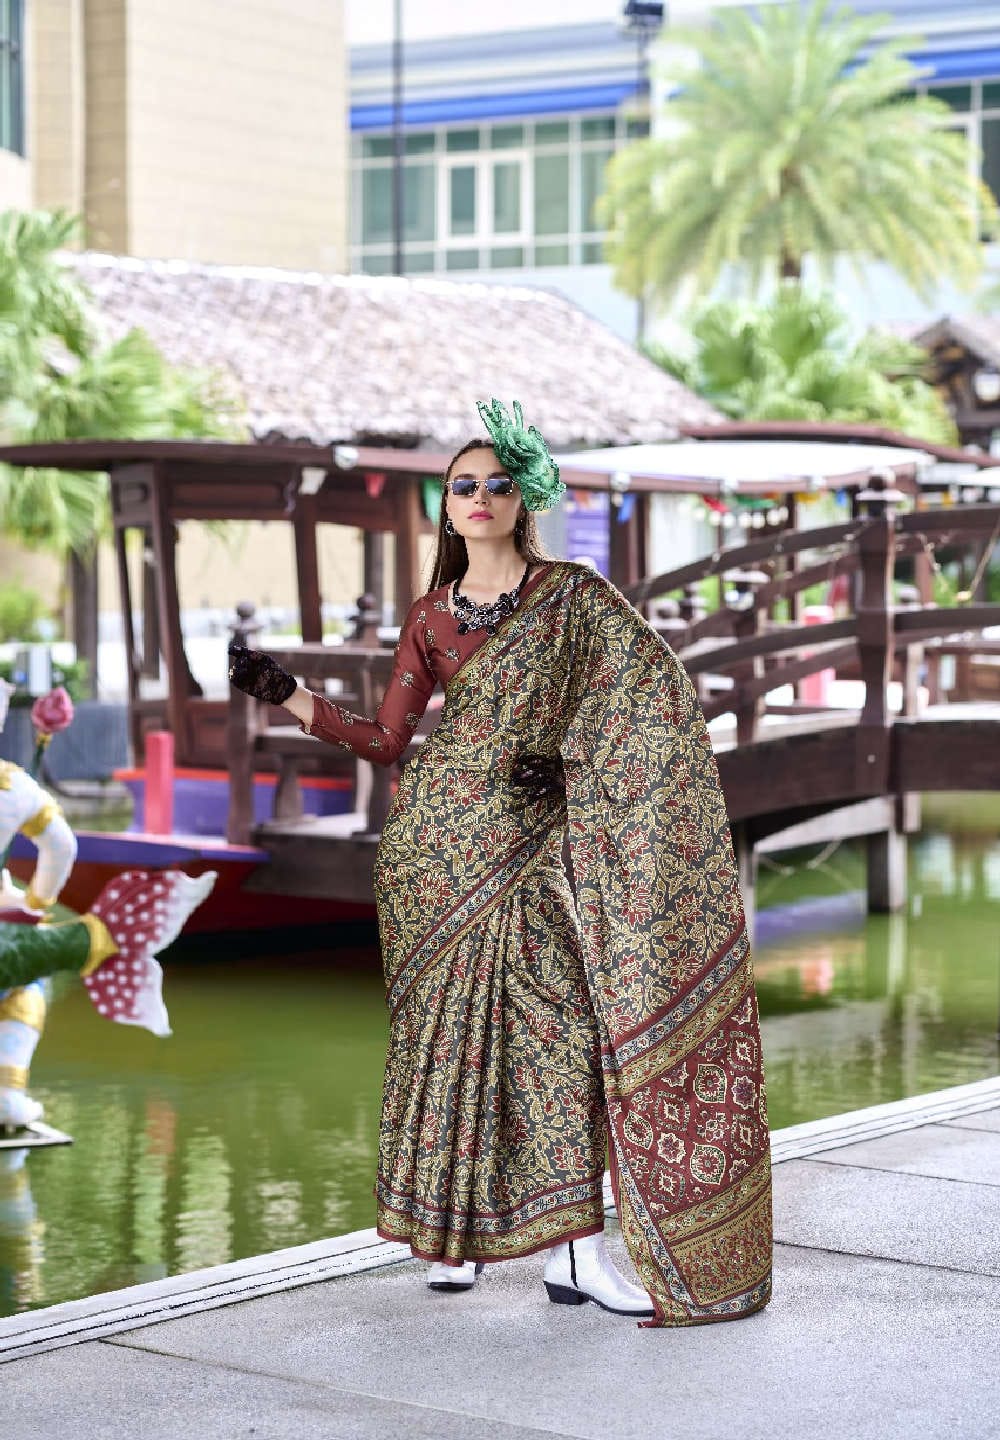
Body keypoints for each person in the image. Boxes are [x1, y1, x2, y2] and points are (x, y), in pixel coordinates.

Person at [228, 399, 773, 1328]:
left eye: (496, 484)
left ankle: (576, 1255)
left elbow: (654, 704)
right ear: (446, 507)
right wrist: (288, 694)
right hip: (434, 852)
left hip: (535, 845)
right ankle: (453, 1242)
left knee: (565, 1037)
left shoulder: (576, 598)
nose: (478, 497)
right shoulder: (431, 617)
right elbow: (387, 740)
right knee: (450, 1048)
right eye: (461, 486)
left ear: (525, 500)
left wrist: (572, 761)